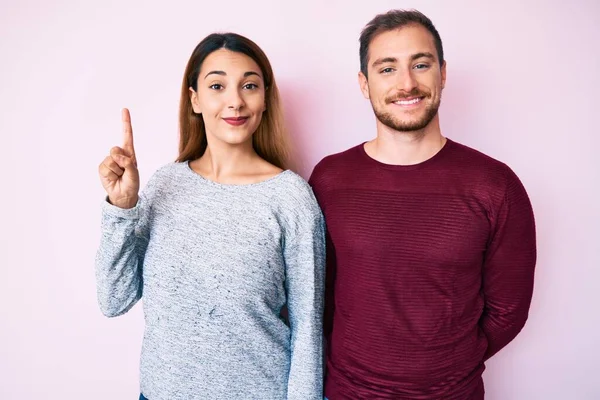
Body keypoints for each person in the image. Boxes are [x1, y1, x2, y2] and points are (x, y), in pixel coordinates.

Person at [309, 9, 537, 399]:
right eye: (387, 69)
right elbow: (319, 293)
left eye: (420, 64)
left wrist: (448, 365)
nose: (407, 83)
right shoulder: (330, 179)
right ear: (364, 84)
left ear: (442, 74)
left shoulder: (495, 185)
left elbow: (508, 310)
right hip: (348, 392)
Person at [95, 32, 325, 400]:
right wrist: (122, 208)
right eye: (217, 85)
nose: (235, 101)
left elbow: (308, 330)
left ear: (265, 99)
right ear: (195, 100)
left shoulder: (291, 199)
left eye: (249, 86)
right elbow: (114, 300)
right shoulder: (165, 184)